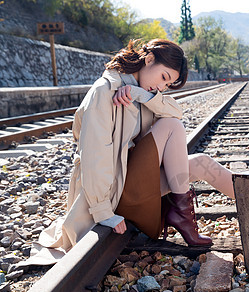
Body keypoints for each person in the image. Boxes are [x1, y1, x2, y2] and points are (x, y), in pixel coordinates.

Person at [28, 39, 235, 264]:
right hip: (113, 192)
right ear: (149, 60)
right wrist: (102, 211)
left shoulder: (138, 92)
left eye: (168, 85)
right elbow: (95, 157)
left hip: (131, 183)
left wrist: (140, 95)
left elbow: (176, 111)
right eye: (164, 78)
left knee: (202, 162)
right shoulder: (105, 91)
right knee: (172, 126)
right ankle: (181, 216)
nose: (162, 88)